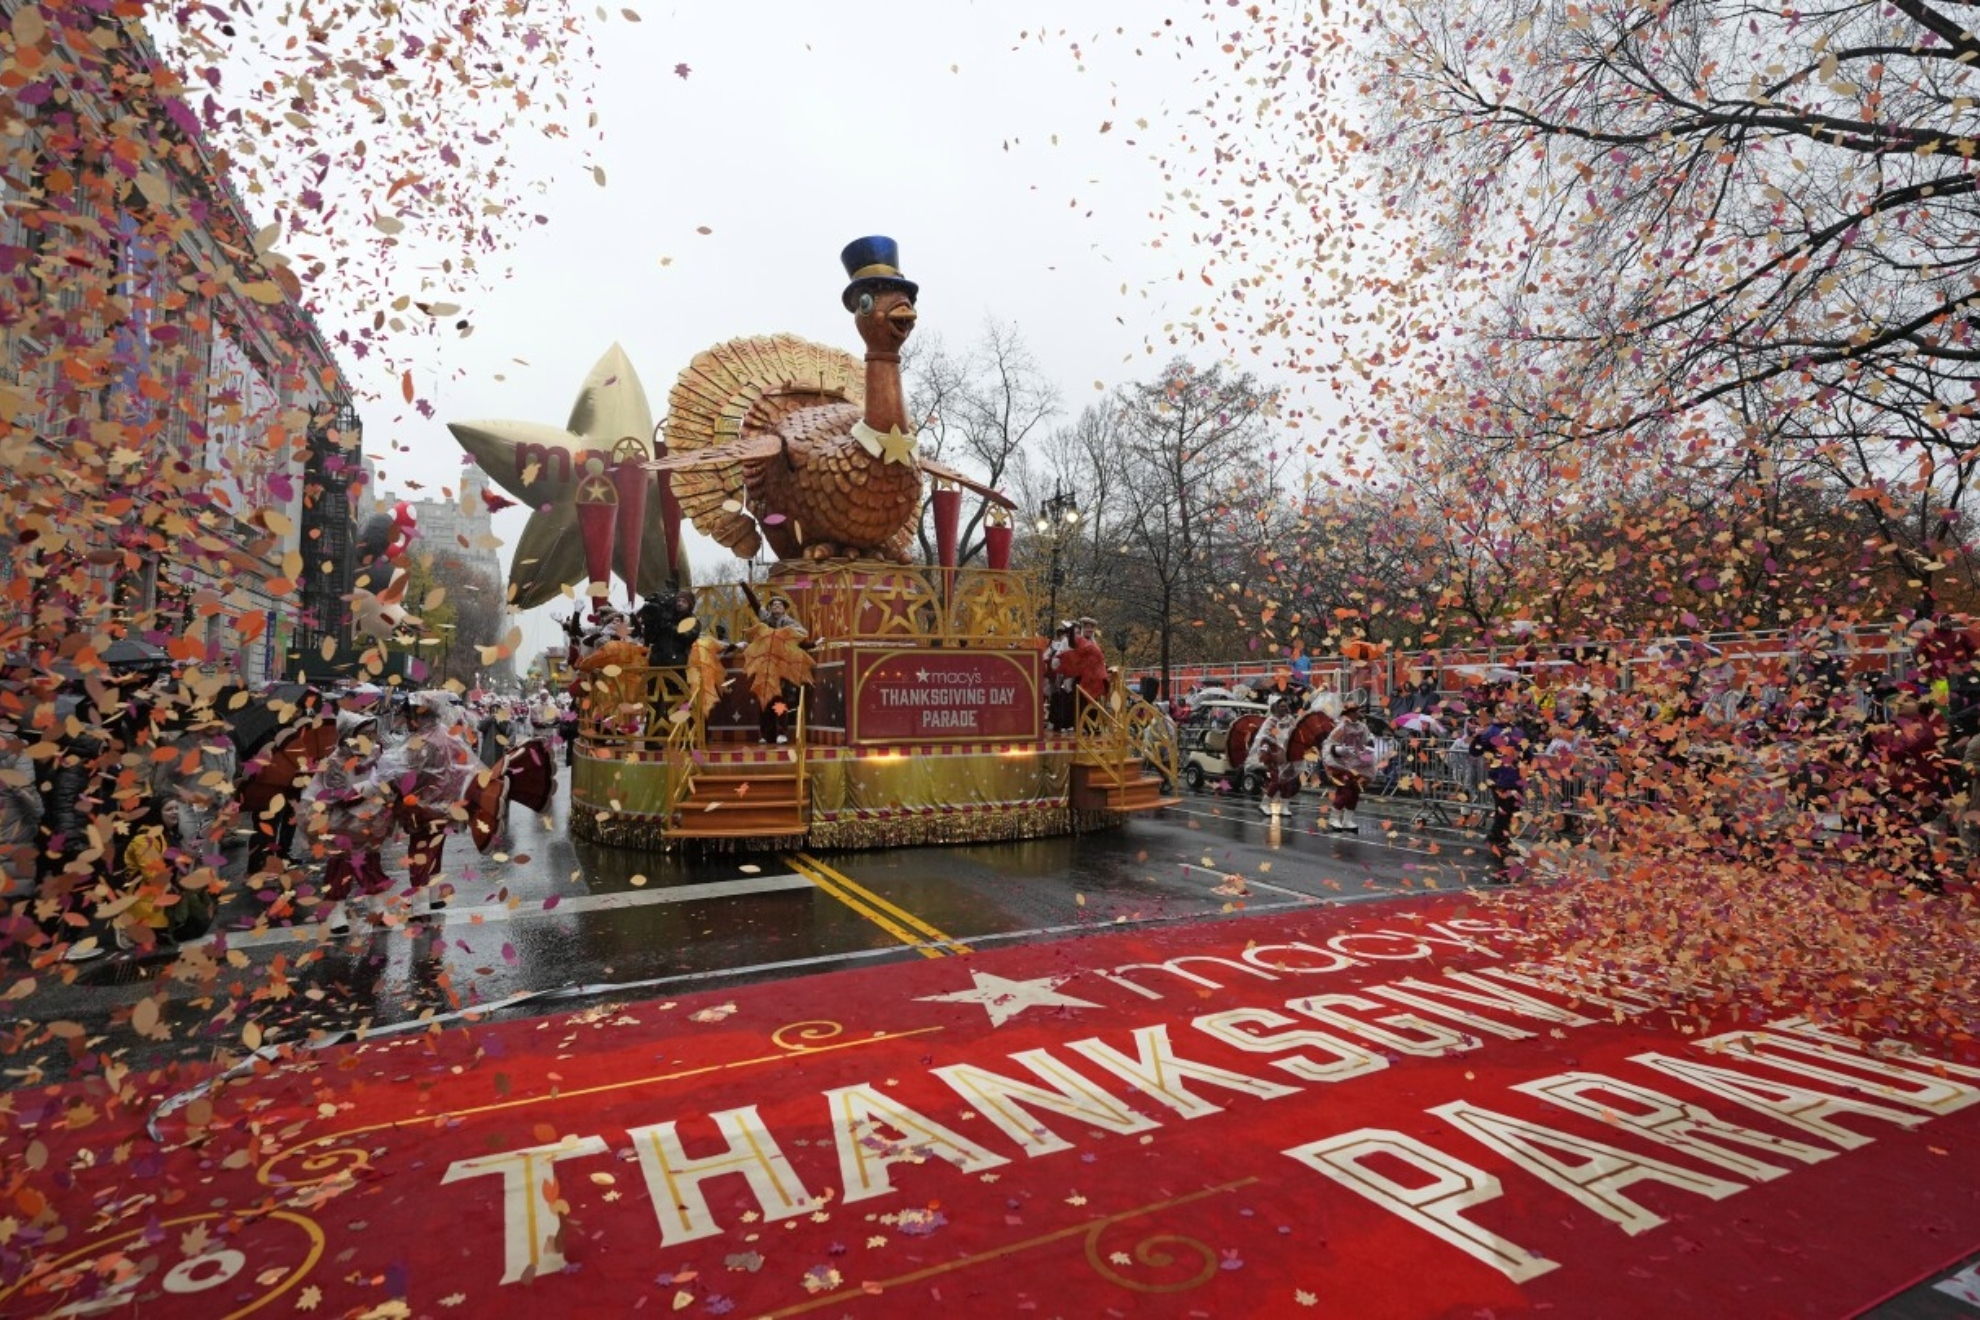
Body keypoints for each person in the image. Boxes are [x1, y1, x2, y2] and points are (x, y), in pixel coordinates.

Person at [302, 709, 395, 934]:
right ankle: (336, 912)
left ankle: (378, 908)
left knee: (371, 864)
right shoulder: (335, 761)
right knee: (341, 867)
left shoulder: (376, 755)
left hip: (370, 821)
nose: (370, 739)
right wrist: (370, 787)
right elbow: (338, 796)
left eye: (373, 734)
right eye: (365, 734)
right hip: (342, 823)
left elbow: (388, 784)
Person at [389, 691, 476, 918]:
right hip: (447, 807)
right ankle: (434, 895)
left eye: (408, 716)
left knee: (419, 852)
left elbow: (405, 776)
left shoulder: (421, 742)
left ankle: (419, 905)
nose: (406, 721)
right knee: (436, 848)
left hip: (422, 808)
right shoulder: (452, 738)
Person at [1479, 703, 1529, 879]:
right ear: (1499, 713)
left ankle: (1499, 835)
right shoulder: (1491, 731)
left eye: (1512, 710)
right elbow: (1483, 751)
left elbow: (1526, 751)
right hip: (1500, 777)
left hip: (1517, 776)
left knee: (1513, 809)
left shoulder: (1518, 731)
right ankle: (1497, 837)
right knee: (1503, 808)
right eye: (1508, 710)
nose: (1511, 712)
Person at [1320, 703, 1377, 833]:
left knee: (1355, 790)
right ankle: (1334, 818)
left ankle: (1347, 820)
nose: (1360, 713)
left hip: (1357, 763)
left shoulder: (1362, 726)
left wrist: (1368, 748)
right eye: (1357, 710)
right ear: (1351, 712)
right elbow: (1330, 744)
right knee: (1345, 789)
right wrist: (1340, 750)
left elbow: (1367, 740)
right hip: (1341, 764)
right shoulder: (1341, 727)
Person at [1246, 698, 1301, 818]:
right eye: (1281, 706)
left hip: (1287, 754)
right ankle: (1264, 804)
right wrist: (1274, 745)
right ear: (1275, 708)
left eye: (1285, 706)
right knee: (1276, 780)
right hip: (1274, 753)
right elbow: (1264, 736)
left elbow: (1295, 732)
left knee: (1288, 781)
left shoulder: (1290, 719)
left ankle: (1284, 806)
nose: (1284, 708)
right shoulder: (1271, 721)